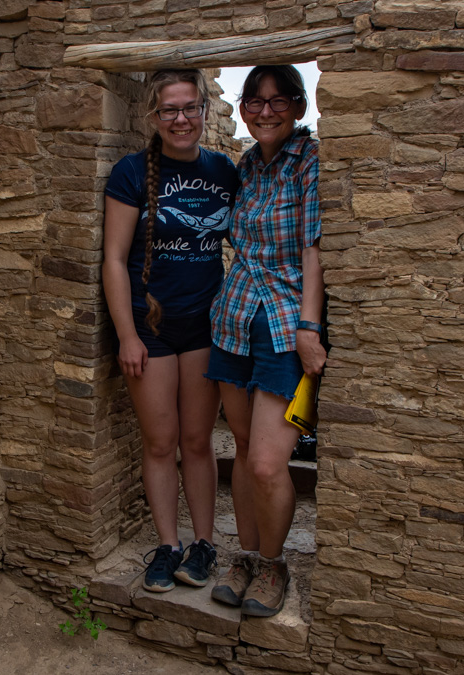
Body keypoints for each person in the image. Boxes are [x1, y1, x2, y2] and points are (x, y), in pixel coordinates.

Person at [102, 69, 239, 592]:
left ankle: (203, 544)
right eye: (169, 110)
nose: (181, 119)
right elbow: (114, 259)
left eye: (190, 108)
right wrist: (127, 335)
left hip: (205, 327)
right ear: (153, 117)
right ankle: (168, 544)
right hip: (151, 328)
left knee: (197, 441)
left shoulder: (225, 170)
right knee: (160, 443)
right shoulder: (132, 173)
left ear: (205, 110)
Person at [207, 65, 326, 616]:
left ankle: (274, 565)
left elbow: (312, 249)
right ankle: (246, 556)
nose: (264, 111)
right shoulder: (247, 167)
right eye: (254, 101)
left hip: (282, 327)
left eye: (278, 101)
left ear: (298, 108)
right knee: (245, 449)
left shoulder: (309, 162)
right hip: (232, 320)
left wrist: (309, 327)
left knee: (267, 464)